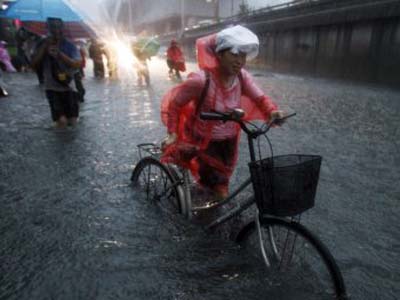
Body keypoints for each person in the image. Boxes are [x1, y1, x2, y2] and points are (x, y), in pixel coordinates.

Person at [161, 25, 285, 201]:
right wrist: (173, 133)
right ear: (219, 54)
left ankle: (208, 208)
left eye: (243, 55)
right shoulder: (201, 80)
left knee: (219, 183)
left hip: (229, 143)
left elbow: (260, 98)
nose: (239, 61)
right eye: (234, 54)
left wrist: (272, 112)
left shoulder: (242, 77)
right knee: (220, 191)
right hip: (202, 142)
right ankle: (204, 222)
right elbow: (175, 104)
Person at [31, 17, 82, 128]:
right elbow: (33, 64)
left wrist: (60, 54)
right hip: (52, 89)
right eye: (52, 26)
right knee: (61, 122)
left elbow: (78, 63)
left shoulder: (69, 44)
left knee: (73, 121)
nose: (55, 29)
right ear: (47, 27)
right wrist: (45, 47)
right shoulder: (41, 44)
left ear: (62, 27)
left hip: (69, 87)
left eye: (58, 26)